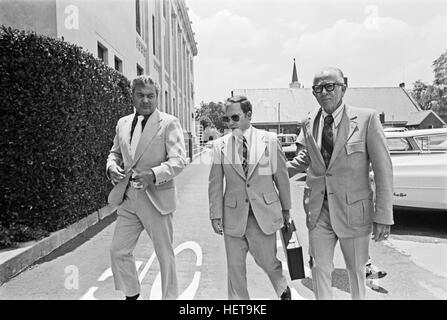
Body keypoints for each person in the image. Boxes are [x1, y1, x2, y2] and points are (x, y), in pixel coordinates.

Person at [287, 67, 393, 300]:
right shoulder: (308, 121)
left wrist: (383, 214)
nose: (323, 92)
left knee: (356, 272)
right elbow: (306, 158)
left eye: (329, 86)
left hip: (353, 210)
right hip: (318, 209)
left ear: (343, 88)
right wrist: (272, 171)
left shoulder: (367, 119)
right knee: (320, 270)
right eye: (318, 88)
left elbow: (383, 168)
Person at [106, 75, 186, 300]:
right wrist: (111, 166)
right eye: (140, 95)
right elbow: (115, 152)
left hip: (157, 200)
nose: (146, 100)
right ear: (132, 96)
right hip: (128, 198)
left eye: (151, 96)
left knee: (165, 256)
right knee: (118, 251)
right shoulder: (122, 123)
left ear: (157, 97)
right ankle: (132, 295)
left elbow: (179, 160)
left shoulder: (169, 123)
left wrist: (153, 174)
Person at [208, 95, 292, 300]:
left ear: (249, 115)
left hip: (262, 215)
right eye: (226, 119)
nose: (230, 123)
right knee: (235, 271)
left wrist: (286, 210)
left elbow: (281, 177)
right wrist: (215, 214)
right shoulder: (220, 145)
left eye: (234, 118)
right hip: (233, 217)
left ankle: (283, 289)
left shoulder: (269, 141)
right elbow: (215, 183)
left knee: (268, 262)